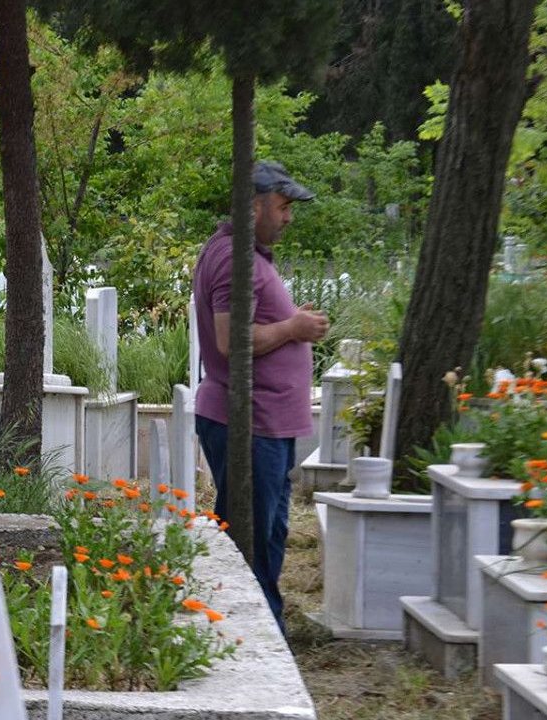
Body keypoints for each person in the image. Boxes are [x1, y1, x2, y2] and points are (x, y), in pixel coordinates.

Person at [192, 161, 329, 635]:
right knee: (249, 535)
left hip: (263, 421)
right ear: (253, 206)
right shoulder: (234, 257)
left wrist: (292, 323)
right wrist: (294, 327)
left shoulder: (241, 253)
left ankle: (261, 626)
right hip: (248, 420)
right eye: (283, 206)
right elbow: (233, 341)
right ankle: (247, 631)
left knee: (266, 532)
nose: (289, 217)